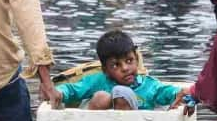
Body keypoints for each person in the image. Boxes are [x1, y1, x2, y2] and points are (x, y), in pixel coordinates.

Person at [53, 30, 190, 110]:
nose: (125, 68)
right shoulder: (98, 80)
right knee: (102, 97)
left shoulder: (149, 86)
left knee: (122, 94)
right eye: (115, 65)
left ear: (137, 59)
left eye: (129, 61)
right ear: (105, 70)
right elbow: (72, 89)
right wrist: (59, 92)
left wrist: (180, 93)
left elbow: (167, 92)